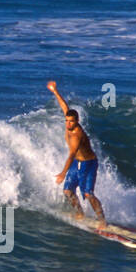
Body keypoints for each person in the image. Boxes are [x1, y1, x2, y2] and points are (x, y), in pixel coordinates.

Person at [47, 81, 105, 224]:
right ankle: (80, 213)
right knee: (67, 191)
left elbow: (71, 155)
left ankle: (102, 220)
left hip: (88, 164)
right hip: (77, 163)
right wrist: (55, 91)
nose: (68, 124)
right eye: (66, 121)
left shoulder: (77, 135)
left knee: (88, 194)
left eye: (71, 122)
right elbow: (64, 106)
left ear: (77, 121)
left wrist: (62, 173)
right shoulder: (68, 124)